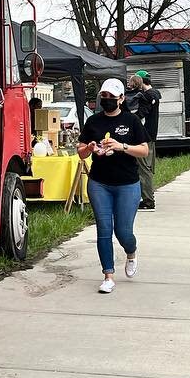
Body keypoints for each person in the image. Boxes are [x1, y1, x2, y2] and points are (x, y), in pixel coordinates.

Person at [78, 78, 150, 294]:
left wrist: (122, 146)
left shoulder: (131, 121)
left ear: (121, 99)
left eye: (111, 97)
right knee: (103, 228)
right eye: (104, 96)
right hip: (99, 182)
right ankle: (108, 275)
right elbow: (80, 151)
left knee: (123, 231)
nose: (107, 100)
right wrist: (90, 148)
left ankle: (131, 251)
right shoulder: (94, 122)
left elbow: (144, 150)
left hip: (127, 183)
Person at [126, 71, 162, 210]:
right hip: (151, 135)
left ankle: (148, 200)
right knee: (147, 167)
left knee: (143, 168)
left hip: (143, 136)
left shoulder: (145, 97)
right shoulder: (155, 94)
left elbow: (140, 115)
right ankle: (146, 198)